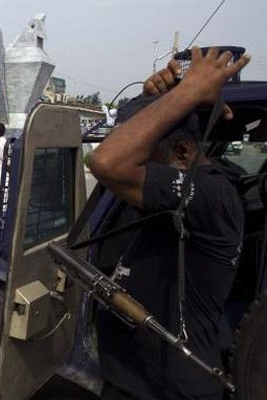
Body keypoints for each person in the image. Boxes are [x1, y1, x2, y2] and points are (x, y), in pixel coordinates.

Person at [89, 47, 250, 400]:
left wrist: (188, 92)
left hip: (170, 391)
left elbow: (106, 163)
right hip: (129, 380)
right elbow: (113, 167)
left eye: (144, 161)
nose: (137, 172)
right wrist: (151, 100)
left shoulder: (213, 196)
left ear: (182, 153)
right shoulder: (168, 187)